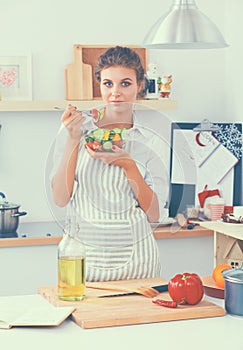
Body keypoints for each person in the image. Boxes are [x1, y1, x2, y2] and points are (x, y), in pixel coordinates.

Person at [50, 46, 169, 282]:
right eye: (108, 84)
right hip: (85, 261)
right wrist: (73, 138)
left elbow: (154, 214)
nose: (115, 92)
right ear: (100, 85)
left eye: (125, 83)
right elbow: (61, 198)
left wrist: (128, 165)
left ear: (140, 85)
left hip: (139, 263)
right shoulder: (74, 130)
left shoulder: (152, 141)